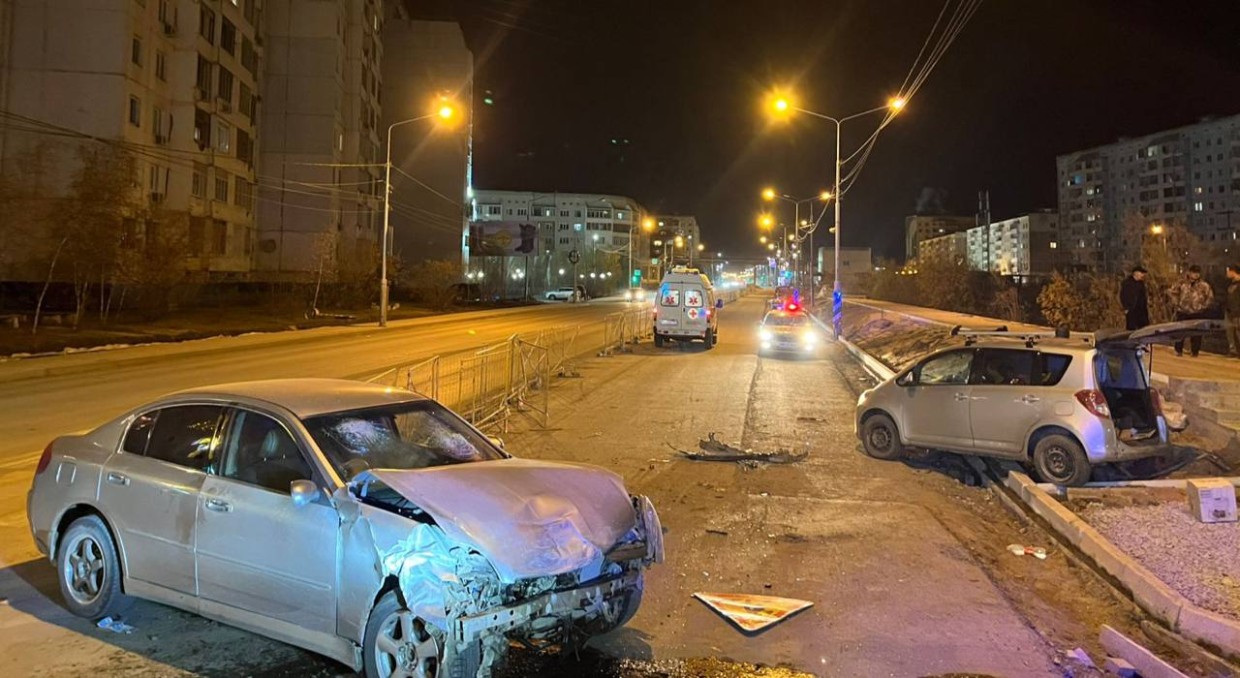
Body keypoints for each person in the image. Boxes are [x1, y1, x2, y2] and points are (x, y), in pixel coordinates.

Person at [1169, 264, 1215, 357]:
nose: (1196, 274)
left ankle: (1195, 351)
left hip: (1197, 312)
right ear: (1189, 273)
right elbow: (1173, 293)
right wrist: (1177, 304)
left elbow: (1210, 297)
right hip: (1183, 311)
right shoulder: (1181, 283)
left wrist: (1202, 307)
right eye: (1194, 272)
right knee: (1180, 332)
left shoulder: (1204, 285)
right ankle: (1178, 350)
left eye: (1197, 273)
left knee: (1196, 333)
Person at [1119, 265, 1149, 331]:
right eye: (1141, 273)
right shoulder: (1127, 283)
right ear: (1136, 273)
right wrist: (1126, 307)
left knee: (1144, 329)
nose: (1143, 275)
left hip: (1141, 311)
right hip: (1131, 310)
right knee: (1132, 330)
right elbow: (1123, 296)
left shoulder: (1141, 284)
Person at [1225, 264, 1240, 357]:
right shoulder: (1231, 284)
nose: (1226, 273)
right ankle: (1233, 350)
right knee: (1229, 331)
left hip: (1237, 312)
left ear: (1233, 271)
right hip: (1229, 311)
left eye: (1228, 271)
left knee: (1238, 331)